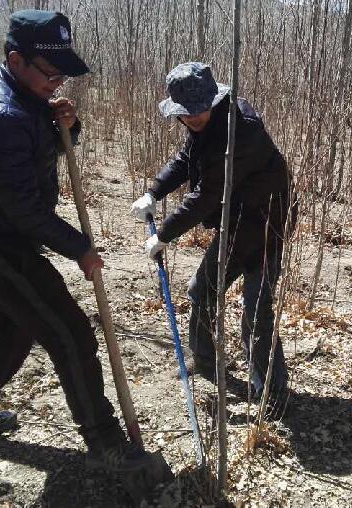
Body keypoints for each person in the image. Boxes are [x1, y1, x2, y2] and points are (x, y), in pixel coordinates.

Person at [0, 9, 164, 480]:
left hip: (3, 237)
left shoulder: (23, 97)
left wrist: (67, 125)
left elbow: (39, 151)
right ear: (16, 59)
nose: (57, 81)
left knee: (12, 333)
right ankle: (105, 443)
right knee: (70, 333)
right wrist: (79, 247)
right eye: (50, 72)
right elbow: (24, 209)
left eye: (62, 72)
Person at [131, 62, 295, 406]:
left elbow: (208, 195)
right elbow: (185, 157)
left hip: (268, 223)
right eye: (186, 113)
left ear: (213, 100)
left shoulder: (241, 131)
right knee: (202, 290)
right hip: (237, 221)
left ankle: (272, 393)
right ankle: (204, 363)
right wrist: (155, 191)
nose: (193, 118)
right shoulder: (202, 126)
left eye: (199, 111)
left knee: (256, 306)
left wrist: (163, 234)